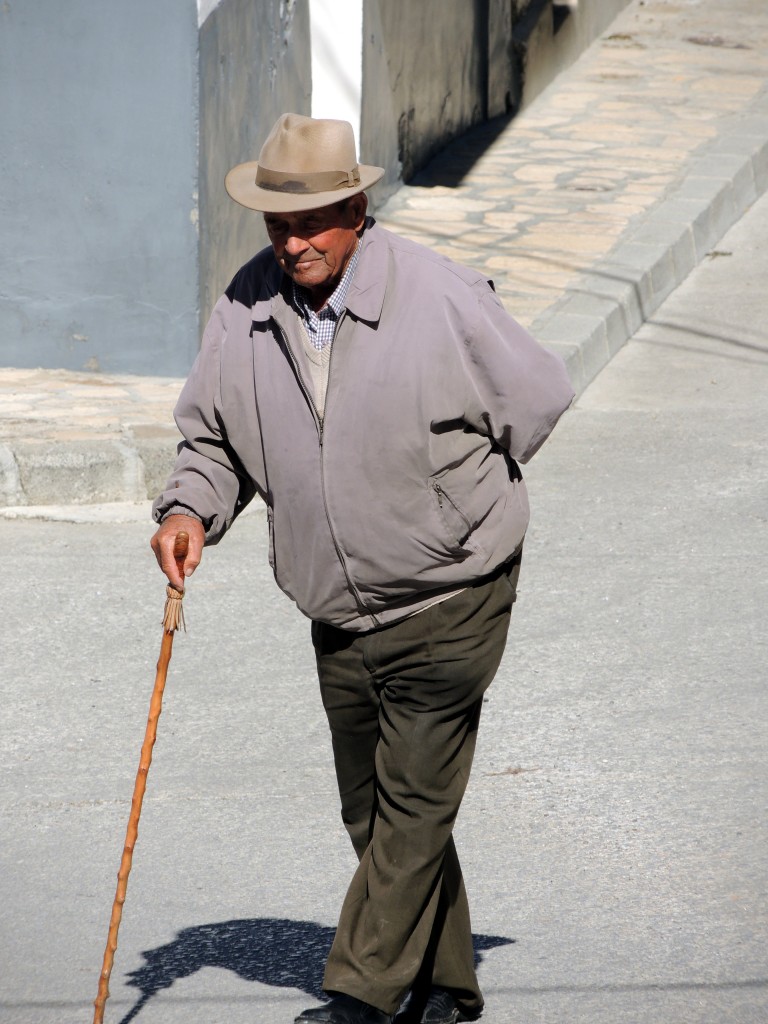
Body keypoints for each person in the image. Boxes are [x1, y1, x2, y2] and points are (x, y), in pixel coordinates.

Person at [151, 112, 574, 1024]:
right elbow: (212, 437)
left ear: (356, 210)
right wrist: (190, 509)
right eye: (278, 225)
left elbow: (538, 394)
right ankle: (446, 987)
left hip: (452, 593)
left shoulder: (436, 293)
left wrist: (449, 499)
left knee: (412, 804)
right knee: (376, 817)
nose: (293, 243)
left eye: (312, 223)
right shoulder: (247, 304)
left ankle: (361, 997)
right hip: (337, 604)